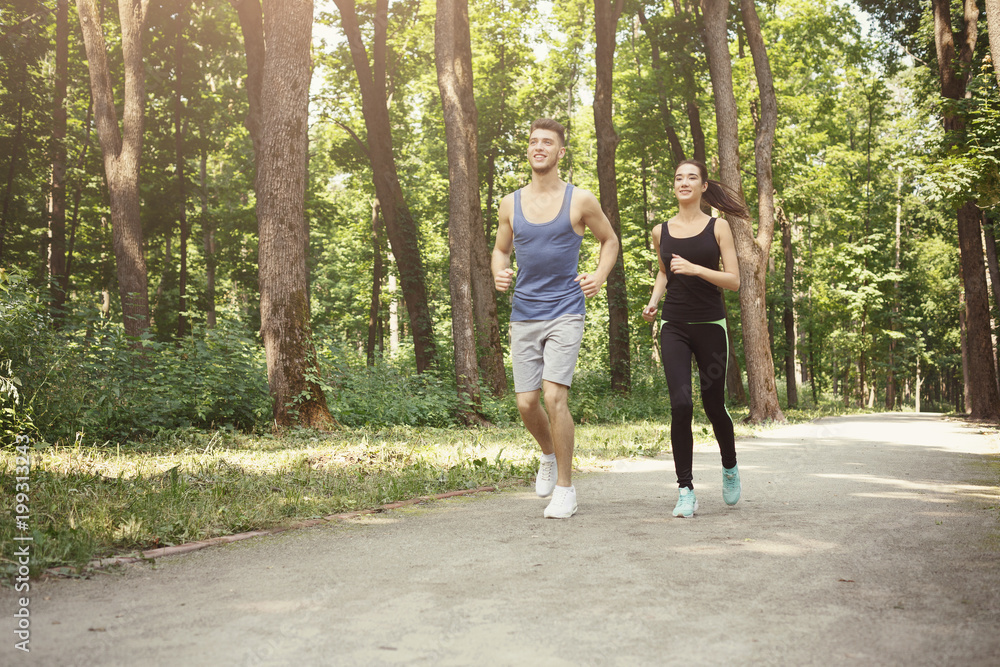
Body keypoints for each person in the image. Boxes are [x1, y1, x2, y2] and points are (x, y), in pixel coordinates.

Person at [492, 118, 619, 519]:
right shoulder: (510, 203)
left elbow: (609, 240)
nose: (539, 147)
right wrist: (499, 270)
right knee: (527, 403)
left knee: (553, 396)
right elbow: (501, 250)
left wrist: (599, 275)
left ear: (560, 152)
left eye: (548, 142)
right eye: (533, 141)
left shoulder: (579, 201)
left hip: (566, 309)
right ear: (528, 150)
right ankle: (548, 454)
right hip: (524, 312)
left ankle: (566, 488)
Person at [641, 159, 747, 518]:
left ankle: (729, 466)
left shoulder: (718, 228)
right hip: (674, 326)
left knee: (714, 405)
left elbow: (733, 280)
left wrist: (697, 268)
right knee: (681, 405)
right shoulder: (660, 231)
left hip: (711, 326)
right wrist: (654, 302)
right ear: (674, 187)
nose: (683, 182)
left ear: (703, 187)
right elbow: (663, 273)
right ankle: (685, 490)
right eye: (678, 178)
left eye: (691, 177)